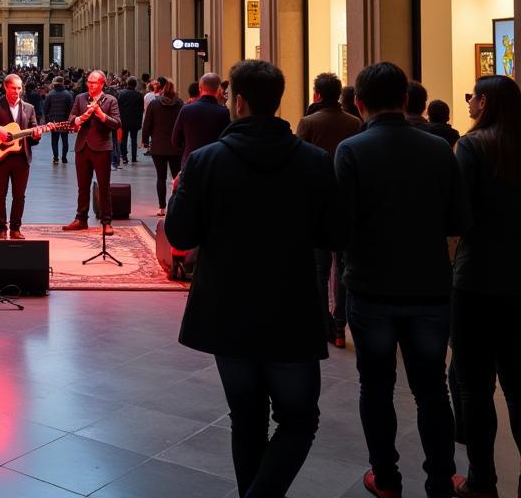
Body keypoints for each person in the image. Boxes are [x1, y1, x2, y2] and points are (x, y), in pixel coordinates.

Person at [166, 59, 344, 498]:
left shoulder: (206, 161)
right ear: (277, 101)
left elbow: (179, 233)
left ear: (238, 101)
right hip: (291, 306)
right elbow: (334, 233)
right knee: (300, 418)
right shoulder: (314, 161)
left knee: (246, 416)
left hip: (228, 307)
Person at [335, 61, 471, 498]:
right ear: (411, 100)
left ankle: (387, 477)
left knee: (376, 387)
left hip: (371, 285)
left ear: (359, 103)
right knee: (432, 389)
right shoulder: (437, 150)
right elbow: (458, 219)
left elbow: (341, 226)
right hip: (430, 285)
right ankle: (439, 480)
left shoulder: (352, 150)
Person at [451, 76, 521, 498]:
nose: (470, 103)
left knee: (474, 384)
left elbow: (460, 215)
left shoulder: (473, 148)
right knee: (518, 384)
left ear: (486, 102)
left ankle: (482, 481)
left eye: (473, 97)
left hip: (477, 278)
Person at [295, 72, 361, 350]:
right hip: (346, 204)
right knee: (344, 268)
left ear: (317, 95)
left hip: (317, 205)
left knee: (320, 270)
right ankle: (339, 325)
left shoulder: (308, 123)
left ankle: (323, 325)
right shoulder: (355, 123)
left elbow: (298, 162)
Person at [0, 74, 45, 239]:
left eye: (19, 88)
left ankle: (15, 228)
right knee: (0, 194)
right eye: (13, 88)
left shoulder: (29, 108)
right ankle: (1, 229)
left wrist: (36, 135)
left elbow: (33, 131)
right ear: (5, 88)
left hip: (21, 158)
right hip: (0, 157)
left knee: (19, 195)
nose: (17, 91)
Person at [63, 70, 121, 234]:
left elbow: (116, 123)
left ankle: (106, 221)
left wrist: (101, 115)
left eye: (94, 82)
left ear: (102, 83)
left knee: (104, 186)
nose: (90, 85)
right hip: (82, 147)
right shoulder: (80, 98)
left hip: (102, 148)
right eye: (89, 82)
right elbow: (70, 119)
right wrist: (80, 118)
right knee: (82, 186)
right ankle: (81, 219)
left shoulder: (110, 100)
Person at [171, 72, 231, 170]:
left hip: (190, 161)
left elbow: (175, 140)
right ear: (219, 90)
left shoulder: (186, 109)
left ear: (200, 88)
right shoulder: (224, 112)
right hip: (215, 163)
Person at [141, 78, 182, 216]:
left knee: (161, 177)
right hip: (175, 146)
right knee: (177, 176)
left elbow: (147, 123)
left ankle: (162, 207)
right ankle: (176, 205)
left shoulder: (154, 104)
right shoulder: (180, 104)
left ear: (162, 89)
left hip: (158, 146)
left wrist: (145, 140)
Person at [43, 76, 74, 164]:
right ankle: (64, 157)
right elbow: (71, 108)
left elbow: (45, 108)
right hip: (64, 120)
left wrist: (47, 119)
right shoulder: (68, 94)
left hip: (54, 121)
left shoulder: (50, 95)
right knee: (65, 140)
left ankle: (56, 157)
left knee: (54, 140)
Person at [116, 77, 144, 164]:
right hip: (134, 121)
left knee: (123, 139)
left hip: (124, 120)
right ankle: (134, 157)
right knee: (134, 139)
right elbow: (141, 110)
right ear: (135, 85)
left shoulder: (121, 94)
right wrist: (139, 122)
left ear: (127, 84)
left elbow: (118, 107)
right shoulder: (139, 95)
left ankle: (124, 157)